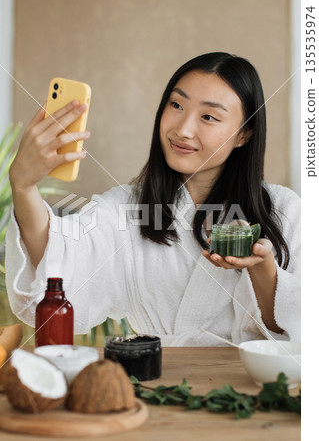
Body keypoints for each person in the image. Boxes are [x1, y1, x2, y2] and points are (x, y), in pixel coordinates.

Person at [5, 52, 300, 346]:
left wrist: (263, 270)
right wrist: (23, 187)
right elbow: (59, 269)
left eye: (208, 117)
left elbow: (301, 328)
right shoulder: (126, 208)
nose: (182, 130)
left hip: (254, 385)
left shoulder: (286, 210)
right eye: (176, 105)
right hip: (158, 378)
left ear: (244, 134)